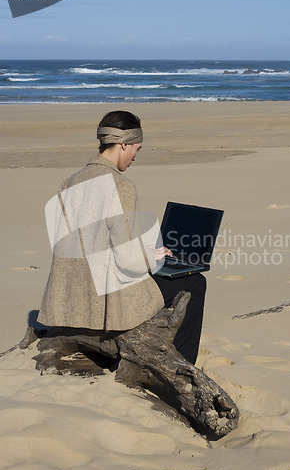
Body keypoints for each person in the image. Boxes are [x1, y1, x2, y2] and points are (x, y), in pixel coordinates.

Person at [39, 110, 206, 364]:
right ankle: (183, 364)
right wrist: (151, 257)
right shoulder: (121, 185)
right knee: (196, 284)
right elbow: (128, 261)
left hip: (68, 298)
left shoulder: (69, 182)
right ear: (124, 144)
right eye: (136, 149)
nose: (135, 157)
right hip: (105, 300)